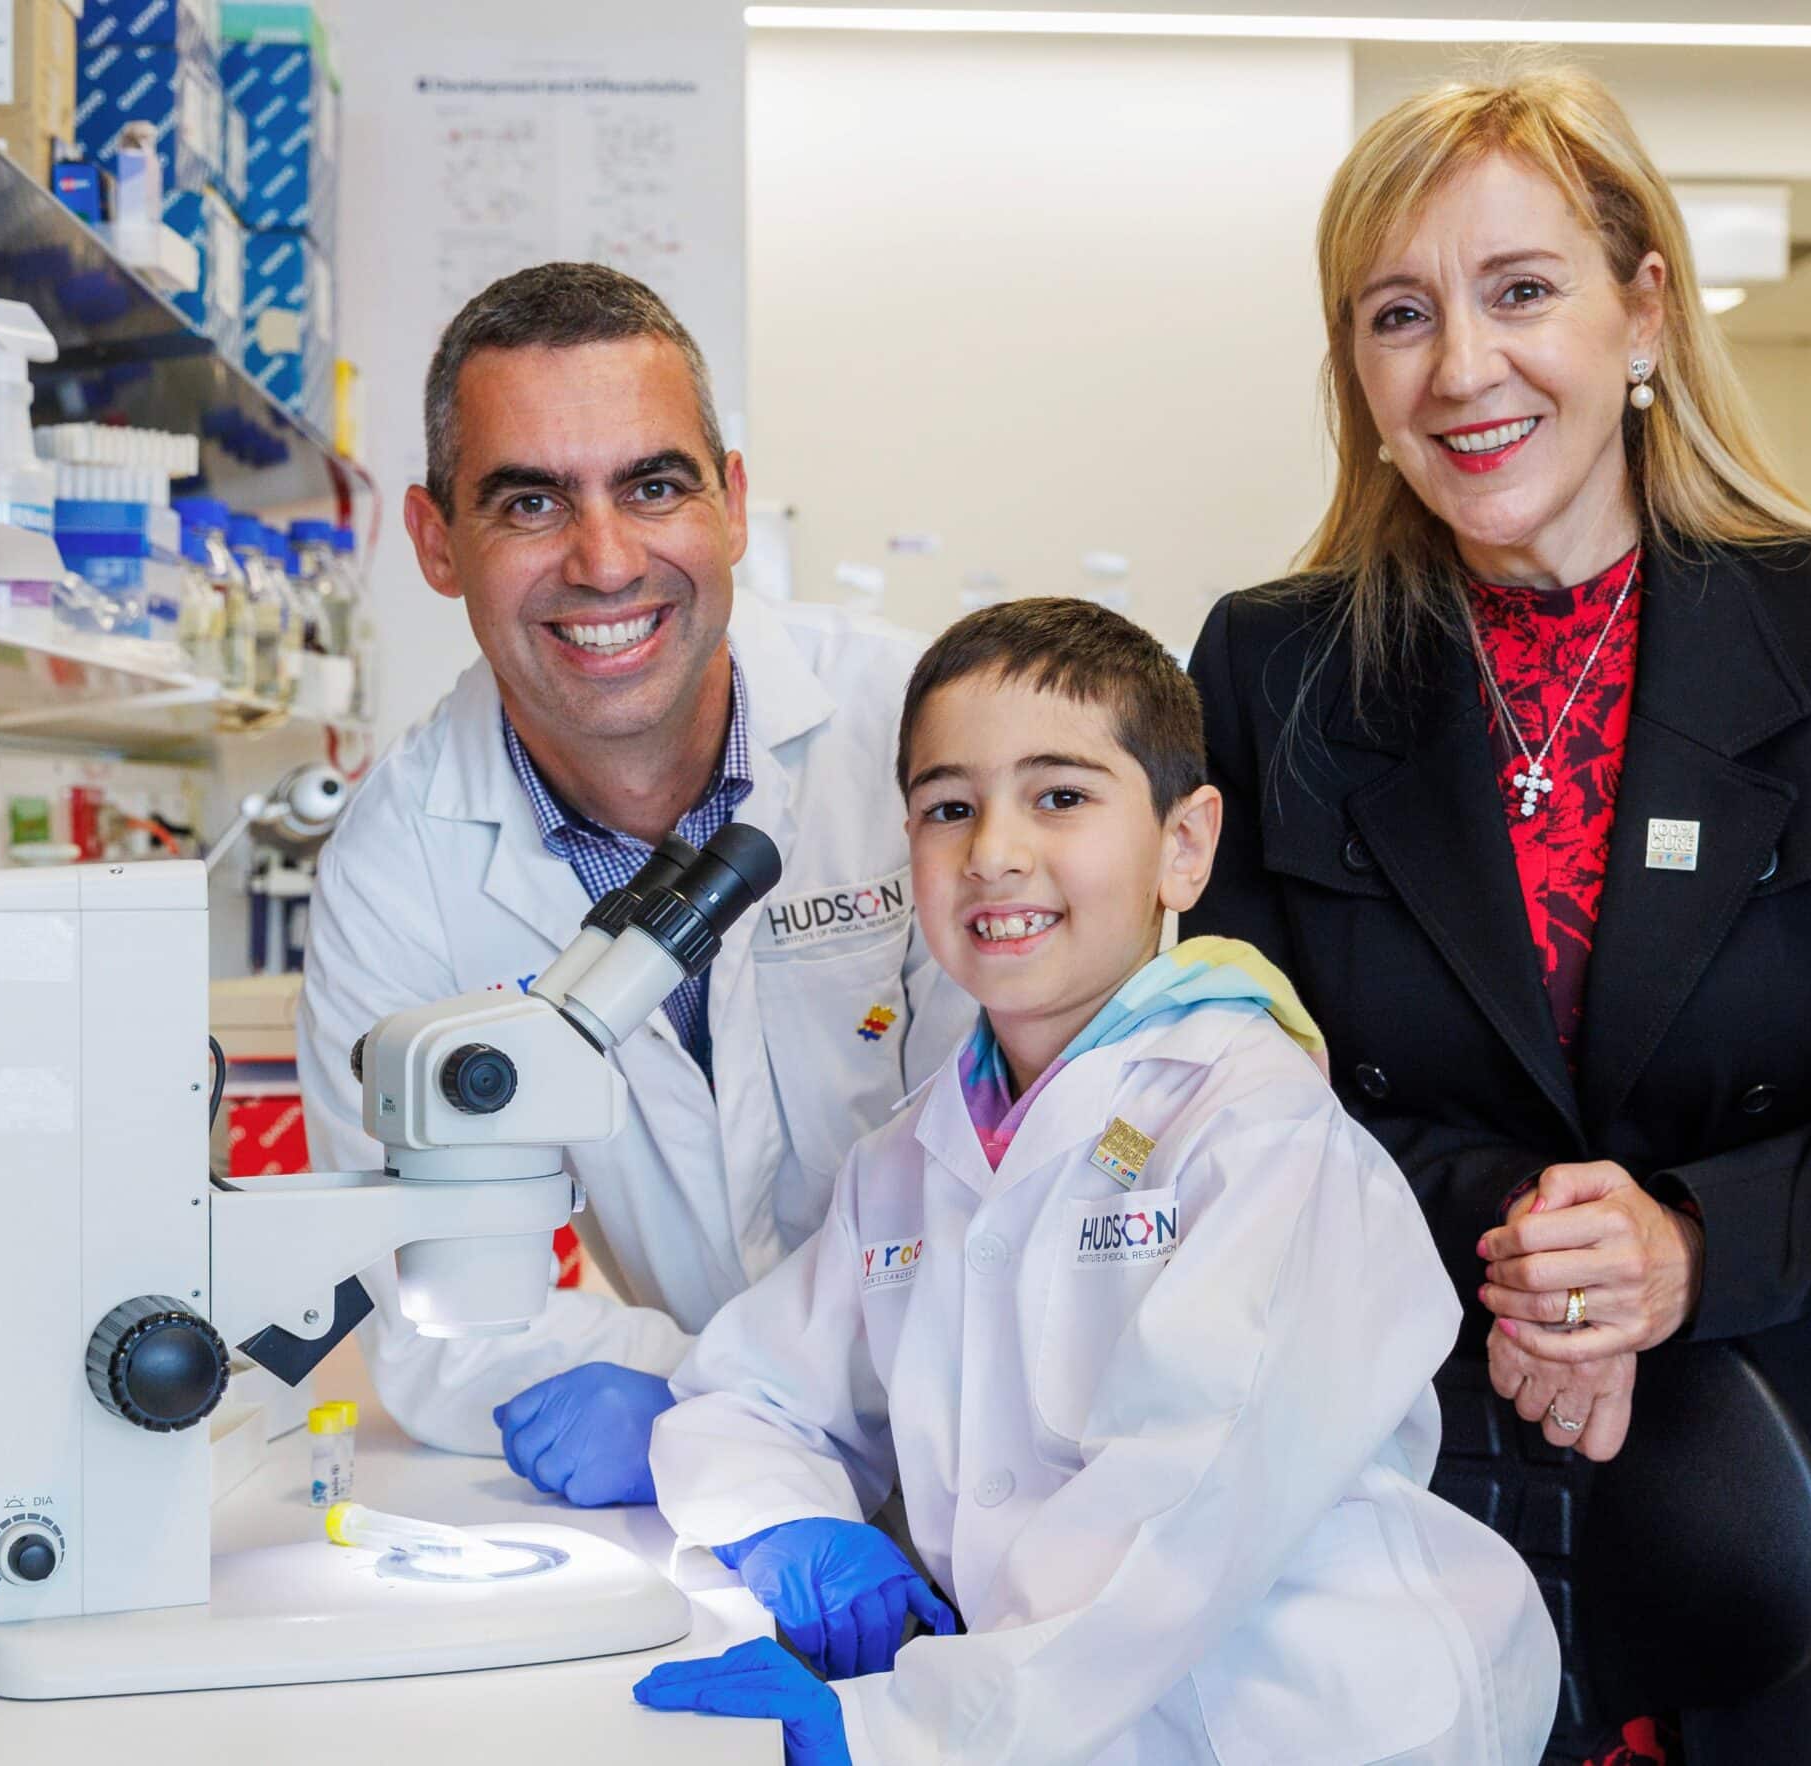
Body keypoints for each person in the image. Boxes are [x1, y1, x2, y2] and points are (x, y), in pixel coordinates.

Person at [1182, 66, 1811, 1766]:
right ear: (1356, 374)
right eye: (1398, 314)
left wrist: (1688, 1246)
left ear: (1643, 307)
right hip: (1431, 1493)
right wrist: (1542, 1255)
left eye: (1521, 290)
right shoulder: (1275, 669)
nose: (1463, 368)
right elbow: (1239, 1094)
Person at [630, 599, 1558, 1765]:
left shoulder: (1254, 1129)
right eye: (947, 806)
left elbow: (1177, 1519)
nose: (995, 850)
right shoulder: (912, 1154)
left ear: (1186, 843)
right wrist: (787, 1518)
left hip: (1315, 1722)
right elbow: (747, 1394)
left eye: (1060, 795)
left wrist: (897, 1725)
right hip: (1052, 1720)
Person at [295, 264, 974, 1503]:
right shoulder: (398, 867)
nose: (604, 561)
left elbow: (1036, 1168)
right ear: (438, 542)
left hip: (1003, 1436)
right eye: (530, 503)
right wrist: (735, 1424)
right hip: (718, 1490)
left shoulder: (918, 732)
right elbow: (438, 1318)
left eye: (653, 486)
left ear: (731, 504)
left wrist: (732, 1403)